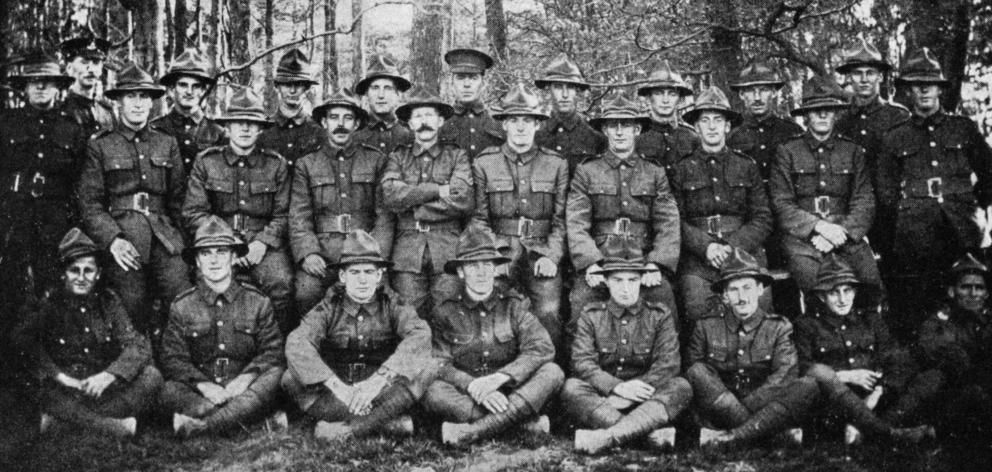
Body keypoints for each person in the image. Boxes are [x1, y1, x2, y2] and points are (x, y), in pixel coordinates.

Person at [877, 48, 992, 338]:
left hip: (963, 227)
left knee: (970, 297)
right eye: (917, 84)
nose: (925, 89)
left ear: (940, 89)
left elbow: (989, 172)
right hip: (915, 235)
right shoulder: (895, 137)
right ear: (908, 91)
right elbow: (886, 192)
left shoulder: (962, 128)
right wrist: (906, 218)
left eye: (931, 84)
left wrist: (975, 203)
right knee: (920, 303)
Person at [282, 230, 435, 440]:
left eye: (369, 272)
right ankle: (387, 424)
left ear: (379, 276)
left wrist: (378, 381)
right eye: (355, 273)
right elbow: (298, 342)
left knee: (428, 368)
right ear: (343, 277)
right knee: (290, 378)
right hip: (341, 394)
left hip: (382, 391)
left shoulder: (393, 304)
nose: (363, 280)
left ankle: (345, 431)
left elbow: (419, 334)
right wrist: (337, 387)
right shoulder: (328, 307)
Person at [77, 61, 192, 336]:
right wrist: (113, 241)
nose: (138, 104)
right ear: (118, 102)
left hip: (164, 236)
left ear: (152, 103)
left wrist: (186, 245)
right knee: (129, 303)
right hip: (124, 235)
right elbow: (89, 203)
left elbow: (178, 199)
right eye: (131, 96)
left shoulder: (166, 142)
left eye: (144, 96)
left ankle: (174, 368)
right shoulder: (101, 143)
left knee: (183, 296)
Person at [422, 227, 564, 446]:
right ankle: (519, 424)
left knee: (552, 372)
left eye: (487, 265)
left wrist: (500, 378)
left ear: (496, 269)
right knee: (432, 391)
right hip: (469, 396)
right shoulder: (446, 311)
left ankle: (472, 431)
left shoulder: (513, 306)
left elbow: (541, 348)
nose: (481, 273)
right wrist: (472, 386)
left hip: (509, 391)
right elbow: (439, 362)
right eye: (472, 266)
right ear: (461, 272)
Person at [16, 228, 162, 438]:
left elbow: (137, 346)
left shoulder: (108, 301)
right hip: (63, 389)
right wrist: (61, 377)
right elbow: (24, 344)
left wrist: (108, 375)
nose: (82, 278)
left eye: (88, 270)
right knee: (34, 384)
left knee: (152, 377)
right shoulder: (49, 302)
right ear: (63, 273)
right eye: (75, 270)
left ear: (98, 273)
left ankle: (66, 422)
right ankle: (112, 427)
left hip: (99, 390)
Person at [563, 235, 692, 454]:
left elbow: (668, 364)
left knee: (681, 387)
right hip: (607, 396)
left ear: (641, 281)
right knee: (571, 389)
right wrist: (617, 387)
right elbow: (582, 363)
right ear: (606, 282)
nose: (625, 288)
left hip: (646, 396)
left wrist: (633, 392)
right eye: (618, 280)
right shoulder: (591, 316)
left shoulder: (659, 315)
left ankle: (608, 436)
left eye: (632, 280)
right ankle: (647, 434)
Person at [159, 216, 285, 437]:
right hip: (202, 391)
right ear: (197, 261)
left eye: (221, 252)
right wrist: (203, 386)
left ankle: (203, 426)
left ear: (234, 257)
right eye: (206, 254)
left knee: (275, 377)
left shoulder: (257, 302)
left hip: (244, 389)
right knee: (167, 390)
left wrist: (243, 381)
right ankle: (249, 419)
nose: (214, 260)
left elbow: (272, 353)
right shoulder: (182, 306)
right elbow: (173, 359)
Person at [182, 89, 294, 332]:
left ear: (260, 129)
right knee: (207, 283)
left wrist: (262, 243)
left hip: (261, 242)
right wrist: (229, 242)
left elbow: (283, 214)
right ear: (228, 127)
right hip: (218, 241)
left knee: (280, 282)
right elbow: (194, 212)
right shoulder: (207, 161)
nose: (245, 128)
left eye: (252, 123)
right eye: (238, 122)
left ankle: (274, 350)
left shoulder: (276, 164)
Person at [794, 255, 935, 444]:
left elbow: (894, 357)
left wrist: (878, 392)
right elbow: (803, 367)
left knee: (928, 376)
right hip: (834, 400)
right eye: (834, 293)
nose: (843, 299)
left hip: (873, 397)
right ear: (822, 296)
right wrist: (846, 376)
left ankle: (861, 429)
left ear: (855, 292)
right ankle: (888, 434)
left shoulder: (870, 320)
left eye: (848, 291)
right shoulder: (807, 325)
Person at [568, 93, 680, 327]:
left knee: (664, 298)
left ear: (637, 130)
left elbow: (668, 222)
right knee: (582, 301)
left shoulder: (654, 172)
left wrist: (656, 264)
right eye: (613, 125)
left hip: (642, 257)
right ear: (605, 130)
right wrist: (591, 263)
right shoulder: (587, 171)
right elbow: (576, 223)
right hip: (603, 257)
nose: (619, 132)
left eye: (626, 125)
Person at [686, 249, 818, 447]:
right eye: (734, 290)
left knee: (808, 385)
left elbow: (784, 375)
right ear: (724, 296)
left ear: (760, 290)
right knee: (696, 372)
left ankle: (733, 437)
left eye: (748, 288)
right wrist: (731, 406)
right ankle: (761, 434)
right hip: (722, 410)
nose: (742, 297)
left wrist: (748, 406)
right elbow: (695, 372)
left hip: (766, 407)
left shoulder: (779, 327)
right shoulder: (706, 326)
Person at [471, 82, 569, 349]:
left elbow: (561, 220)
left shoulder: (556, 164)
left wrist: (551, 255)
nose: (521, 127)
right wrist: (493, 256)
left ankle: (549, 376)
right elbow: (479, 218)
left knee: (548, 312)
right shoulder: (484, 162)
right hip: (501, 248)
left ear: (538, 124)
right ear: (504, 124)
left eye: (528, 120)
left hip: (541, 248)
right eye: (514, 120)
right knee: (496, 310)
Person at [769, 75, 881, 302]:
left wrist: (842, 232)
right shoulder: (788, 151)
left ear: (836, 113)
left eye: (827, 109)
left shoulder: (852, 151)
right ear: (806, 115)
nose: (822, 115)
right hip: (803, 239)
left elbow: (864, 201)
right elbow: (782, 203)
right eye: (815, 110)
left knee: (870, 282)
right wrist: (819, 227)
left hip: (845, 235)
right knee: (815, 285)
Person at [0, 50, 87, 334]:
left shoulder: (72, 127)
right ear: (24, 86)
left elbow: (80, 181)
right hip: (13, 217)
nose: (40, 86)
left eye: (47, 81)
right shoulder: (6, 123)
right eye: (34, 80)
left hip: (55, 221)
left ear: (57, 86)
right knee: (10, 290)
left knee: (53, 292)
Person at [670, 86, 771, 323]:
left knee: (760, 305)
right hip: (699, 258)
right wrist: (706, 247)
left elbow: (763, 217)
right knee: (697, 307)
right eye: (705, 120)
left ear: (728, 126)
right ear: (696, 127)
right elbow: (674, 219)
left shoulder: (746, 165)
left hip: (744, 252)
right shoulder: (682, 168)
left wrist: (732, 246)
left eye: (718, 120)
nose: (712, 126)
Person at [290, 89, 394, 313]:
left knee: (383, 298)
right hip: (324, 252)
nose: (341, 124)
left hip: (365, 251)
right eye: (334, 117)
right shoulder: (307, 164)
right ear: (324, 122)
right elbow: (299, 216)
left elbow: (385, 216)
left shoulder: (376, 160)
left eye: (347, 118)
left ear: (356, 124)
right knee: (305, 291)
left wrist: (374, 257)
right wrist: (309, 253)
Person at [382, 86, 473, 316]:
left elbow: (462, 198)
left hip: (447, 248)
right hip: (407, 250)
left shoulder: (457, 156)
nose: (424, 122)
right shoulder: (398, 157)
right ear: (410, 124)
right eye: (418, 116)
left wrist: (416, 206)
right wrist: (438, 190)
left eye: (429, 115)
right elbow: (391, 195)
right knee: (409, 315)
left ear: (440, 120)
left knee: (448, 314)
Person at [903, 253, 992, 444]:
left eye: (979, 288)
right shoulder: (940, 321)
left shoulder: (987, 322)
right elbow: (936, 350)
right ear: (952, 291)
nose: (973, 294)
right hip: (951, 395)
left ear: (987, 293)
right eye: (966, 287)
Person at [727, 58, 803, 183]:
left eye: (763, 90)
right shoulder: (732, 136)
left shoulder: (792, 131)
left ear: (773, 93)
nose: (757, 98)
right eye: (751, 91)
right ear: (741, 95)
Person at [152, 49, 226, 173]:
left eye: (196, 86)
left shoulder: (217, 133)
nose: (189, 92)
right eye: (183, 85)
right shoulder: (155, 129)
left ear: (203, 91)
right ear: (171, 90)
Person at [533, 52, 606, 176]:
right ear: (548, 90)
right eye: (558, 87)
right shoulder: (535, 135)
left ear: (577, 91)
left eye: (570, 87)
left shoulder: (595, 135)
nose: (565, 94)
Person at [257, 49, 325, 169]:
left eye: (298, 84)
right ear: (277, 86)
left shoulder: (318, 131)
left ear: (306, 88)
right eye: (287, 84)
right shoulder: (264, 130)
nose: (292, 91)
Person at [438, 48, 504, 159]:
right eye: (460, 78)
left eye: (473, 78)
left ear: (483, 83)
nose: (467, 84)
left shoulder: (499, 121)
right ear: (451, 83)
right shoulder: (441, 122)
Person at [634, 60, 698, 175]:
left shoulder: (692, 139)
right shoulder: (637, 140)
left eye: (672, 94)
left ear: (680, 100)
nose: (665, 100)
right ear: (648, 98)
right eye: (659, 93)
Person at [59, 27, 116, 135]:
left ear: (100, 69)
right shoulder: (61, 110)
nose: (90, 69)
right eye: (84, 62)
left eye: (95, 62)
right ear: (69, 68)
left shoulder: (106, 111)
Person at [352, 56, 414, 154]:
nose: (381, 95)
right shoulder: (353, 134)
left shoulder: (411, 135)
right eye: (375, 88)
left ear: (398, 94)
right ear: (367, 94)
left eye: (388, 88)